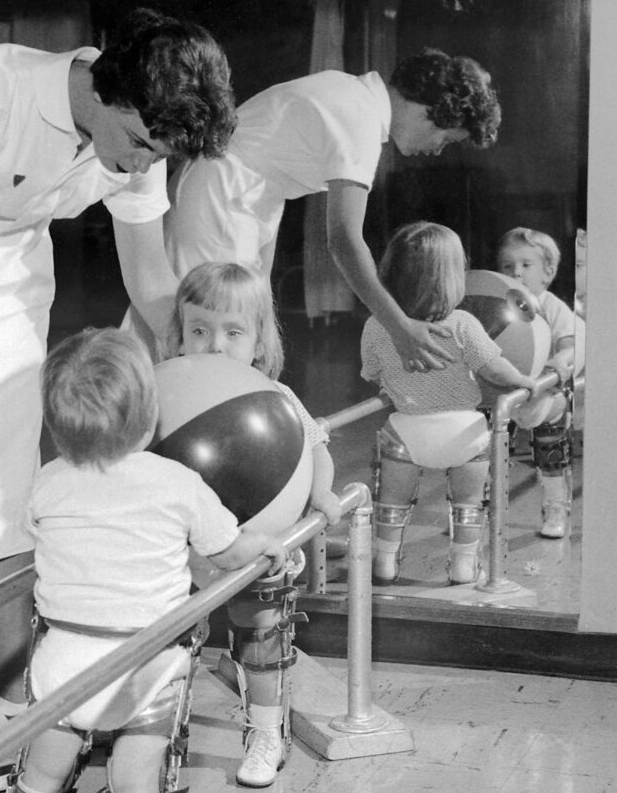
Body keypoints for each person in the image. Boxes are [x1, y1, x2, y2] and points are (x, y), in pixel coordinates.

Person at [0, 9, 236, 791]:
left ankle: (16, 697)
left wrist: (202, 370)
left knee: (12, 490)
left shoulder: (139, 137)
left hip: (9, 275)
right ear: (111, 98)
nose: (137, 167)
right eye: (138, 148)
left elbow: (150, 279)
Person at [0, 327, 286, 793]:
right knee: (136, 785)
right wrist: (264, 548)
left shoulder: (46, 481)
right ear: (149, 415)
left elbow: (37, 535)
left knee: (43, 775)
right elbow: (229, 551)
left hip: (62, 660)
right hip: (146, 663)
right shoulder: (176, 484)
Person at [165, 48, 501, 372]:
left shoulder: (354, 95)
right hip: (222, 196)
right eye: (445, 140)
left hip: (242, 197)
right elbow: (343, 239)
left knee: (237, 331)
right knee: (209, 333)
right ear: (432, 110)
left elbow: (271, 172)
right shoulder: (361, 118)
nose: (436, 151)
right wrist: (399, 326)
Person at [168, 261, 342, 787]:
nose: (214, 344)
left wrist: (321, 491)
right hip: (181, 552)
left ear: (259, 342)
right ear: (178, 336)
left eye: (232, 332)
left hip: (256, 547)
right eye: (199, 330)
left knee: (261, 638)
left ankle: (266, 731)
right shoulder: (165, 388)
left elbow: (315, 450)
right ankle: (159, 732)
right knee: (170, 645)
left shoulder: (276, 398)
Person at [361, 223, 539, 585]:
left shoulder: (377, 325)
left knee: (392, 502)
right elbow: (494, 369)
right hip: (464, 435)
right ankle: (462, 565)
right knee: (468, 505)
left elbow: (372, 373)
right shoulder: (463, 324)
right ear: (453, 278)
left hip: (406, 434)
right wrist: (522, 380)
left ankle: (384, 560)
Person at [496, 227, 585, 538]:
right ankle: (484, 506)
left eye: (525, 265)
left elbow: (571, 343)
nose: (516, 273)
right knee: (491, 449)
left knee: (551, 452)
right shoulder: (499, 304)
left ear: (548, 272)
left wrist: (560, 361)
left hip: (546, 394)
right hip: (505, 391)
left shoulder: (552, 306)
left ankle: (556, 507)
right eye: (507, 266)